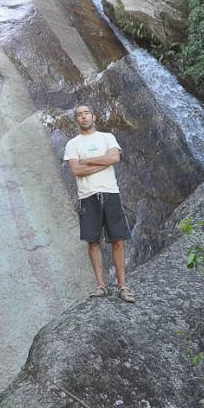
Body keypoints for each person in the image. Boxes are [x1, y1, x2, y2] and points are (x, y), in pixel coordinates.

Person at [63, 104, 135, 303]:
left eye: (87, 113)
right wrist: (102, 162)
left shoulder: (107, 137)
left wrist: (87, 161)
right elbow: (76, 171)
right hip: (87, 196)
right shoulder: (73, 144)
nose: (84, 117)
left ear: (93, 116)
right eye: (79, 115)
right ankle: (101, 286)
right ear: (76, 120)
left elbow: (115, 157)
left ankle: (122, 286)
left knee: (118, 240)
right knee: (93, 241)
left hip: (111, 193)